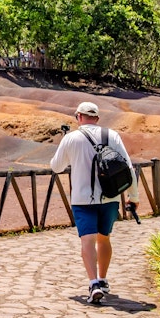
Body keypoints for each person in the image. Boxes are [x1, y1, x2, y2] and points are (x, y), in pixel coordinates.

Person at [50, 101, 138, 304]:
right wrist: (134, 197)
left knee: (87, 240)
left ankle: (93, 283)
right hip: (110, 197)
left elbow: (56, 167)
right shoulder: (112, 136)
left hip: (82, 199)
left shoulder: (71, 138)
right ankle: (103, 279)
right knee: (104, 238)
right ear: (97, 119)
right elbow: (128, 168)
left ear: (78, 117)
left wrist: (67, 149)